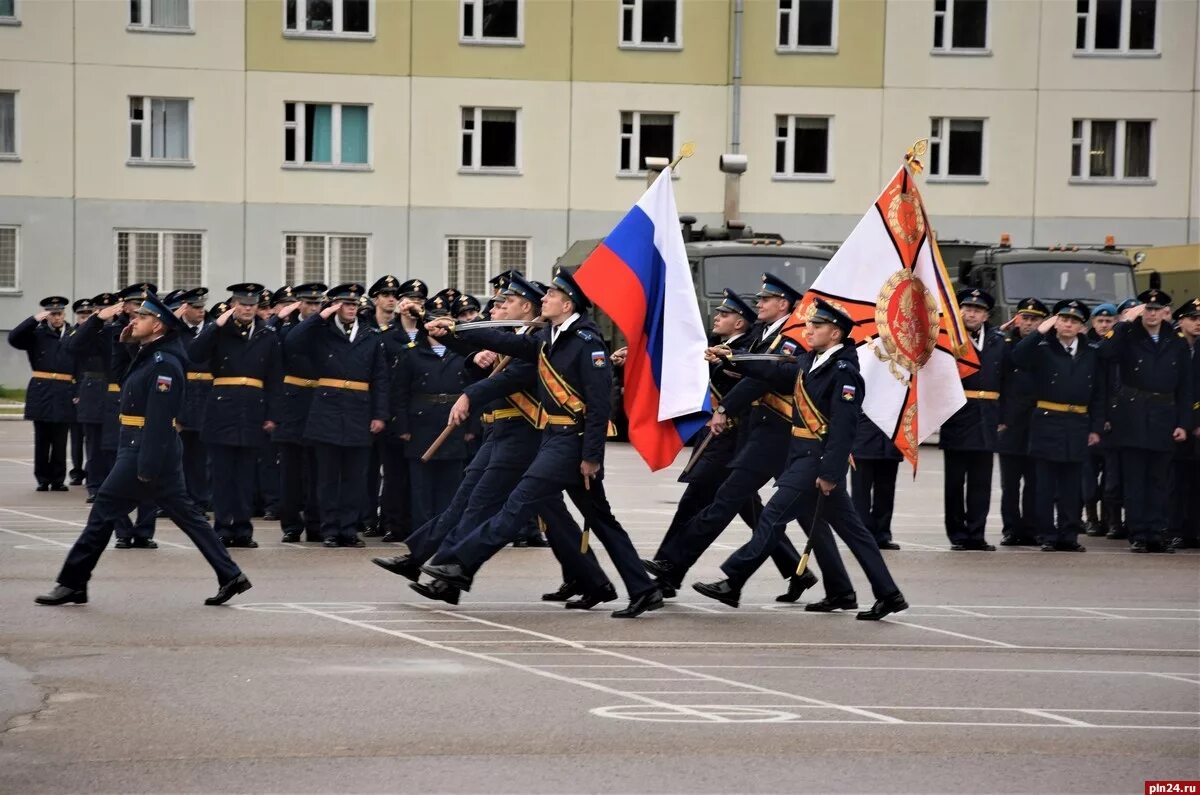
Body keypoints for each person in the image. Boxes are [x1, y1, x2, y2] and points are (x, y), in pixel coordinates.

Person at [419, 269, 663, 618]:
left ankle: (460, 564)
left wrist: (592, 457)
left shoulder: (587, 342)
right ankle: (644, 589)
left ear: (567, 303)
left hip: (572, 445)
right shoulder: (550, 335)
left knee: (517, 504)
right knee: (602, 521)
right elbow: (505, 343)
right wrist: (454, 330)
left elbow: (598, 405)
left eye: (550, 295)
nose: (543, 299)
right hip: (555, 439)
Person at [375, 272, 615, 606]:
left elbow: (512, 378)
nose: (497, 308)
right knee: (550, 517)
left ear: (527, 307)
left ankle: (440, 572)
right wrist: (460, 344)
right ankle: (591, 580)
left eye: (506, 303)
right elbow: (477, 354)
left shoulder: (542, 340)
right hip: (500, 432)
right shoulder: (516, 337)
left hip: (525, 435)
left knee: (478, 506)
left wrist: (470, 395)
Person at [692, 298, 908, 620]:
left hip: (817, 463)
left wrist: (831, 473)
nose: (809, 330)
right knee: (854, 532)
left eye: (816, 326)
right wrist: (732, 357)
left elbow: (844, 431)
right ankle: (874, 593)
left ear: (835, 334)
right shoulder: (812, 361)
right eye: (809, 324)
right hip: (803, 458)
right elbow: (775, 367)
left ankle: (733, 580)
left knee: (773, 517)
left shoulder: (844, 372)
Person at [34, 291, 251, 607]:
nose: (134, 320)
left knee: (103, 511)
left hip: (144, 450)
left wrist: (146, 467)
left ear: (159, 326)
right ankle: (231, 575)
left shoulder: (166, 364)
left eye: (142, 317)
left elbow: (160, 422)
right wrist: (123, 343)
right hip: (145, 448)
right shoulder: (149, 355)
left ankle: (71, 582)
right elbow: (124, 379)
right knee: (188, 515)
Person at [645, 274, 814, 603]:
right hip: (735, 437)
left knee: (703, 503)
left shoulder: (774, 341)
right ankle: (796, 569)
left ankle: (669, 570)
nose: (759, 304)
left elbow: (756, 380)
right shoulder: (752, 341)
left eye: (765, 300)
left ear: (783, 304)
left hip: (739, 437)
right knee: (740, 507)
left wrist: (724, 404)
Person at [645, 289, 765, 593]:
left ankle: (668, 570)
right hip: (717, 438)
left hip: (732, 439)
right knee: (752, 513)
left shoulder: (746, 349)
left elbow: (748, 381)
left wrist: (727, 361)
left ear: (739, 323)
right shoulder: (724, 348)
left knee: (695, 504)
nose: (717, 317)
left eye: (724, 315)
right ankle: (795, 569)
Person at [286, 283, 390, 548]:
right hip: (327, 411)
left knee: (355, 477)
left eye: (355, 305)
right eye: (345, 304)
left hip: (358, 411)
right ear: (334, 306)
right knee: (328, 477)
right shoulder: (321, 333)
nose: (351, 309)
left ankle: (349, 529)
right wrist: (319, 317)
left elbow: (380, 377)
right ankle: (330, 528)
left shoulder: (370, 335)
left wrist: (379, 415)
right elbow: (292, 341)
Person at [188, 283, 282, 548]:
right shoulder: (219, 332)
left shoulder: (267, 334)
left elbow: (275, 378)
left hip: (253, 410)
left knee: (245, 477)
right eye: (242, 304)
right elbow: (194, 354)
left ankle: (243, 530)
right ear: (233, 306)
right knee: (221, 475)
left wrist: (273, 414)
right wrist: (214, 326)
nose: (248, 309)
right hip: (222, 409)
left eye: (252, 305)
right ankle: (222, 528)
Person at [1101, 290, 1193, 553]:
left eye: (1157, 309)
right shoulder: (1128, 335)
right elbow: (1104, 353)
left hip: (1164, 414)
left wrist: (1183, 423)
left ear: (1166, 312)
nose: (1152, 314)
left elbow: (1185, 386)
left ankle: (1157, 531)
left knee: (1159, 480)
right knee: (1135, 479)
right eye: (1148, 309)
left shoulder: (1175, 341)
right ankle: (1139, 533)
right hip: (1133, 413)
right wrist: (1123, 323)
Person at [1010, 300, 1106, 551]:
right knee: (1045, 485)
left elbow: (1099, 393)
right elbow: (1018, 356)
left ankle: (1069, 534)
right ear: (1056, 322)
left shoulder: (1091, 352)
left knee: (1072, 485)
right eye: (1064, 319)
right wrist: (1040, 330)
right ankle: (1047, 535)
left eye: (1073, 321)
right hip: (1047, 421)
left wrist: (1095, 427)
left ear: (1081, 327)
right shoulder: (1043, 349)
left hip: (1077, 423)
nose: (1068, 324)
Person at [392, 292, 476, 529]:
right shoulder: (410, 352)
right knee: (421, 483)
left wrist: (472, 426)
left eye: (446, 320)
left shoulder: (462, 353)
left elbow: (475, 390)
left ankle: (445, 527)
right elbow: (399, 393)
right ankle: (423, 529)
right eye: (435, 319)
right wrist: (403, 427)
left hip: (454, 420)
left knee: (451, 482)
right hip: (421, 422)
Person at [940, 288, 1004, 551]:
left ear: (986, 315)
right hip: (958, 416)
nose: (971, 313)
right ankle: (957, 535)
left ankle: (976, 534)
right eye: (966, 308)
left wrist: (1004, 416)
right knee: (954, 483)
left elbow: (1008, 381)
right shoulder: (948, 340)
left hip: (987, 418)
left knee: (981, 482)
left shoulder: (998, 340)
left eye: (977, 310)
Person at [270, 283, 326, 543]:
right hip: (292, 402)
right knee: (290, 471)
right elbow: (272, 342)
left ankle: (315, 523)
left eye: (317, 304)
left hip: (320, 401)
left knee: (318, 469)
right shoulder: (287, 328)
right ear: (299, 304)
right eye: (309, 303)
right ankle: (291, 524)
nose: (314, 308)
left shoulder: (327, 327)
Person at [8, 296, 76, 491]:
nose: (56, 318)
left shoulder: (72, 334)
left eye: (59, 314)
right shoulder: (37, 335)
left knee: (60, 439)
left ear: (64, 314)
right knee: (42, 439)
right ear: (46, 316)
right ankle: (42, 478)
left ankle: (58, 479)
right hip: (42, 389)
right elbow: (13, 338)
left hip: (64, 390)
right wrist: (33, 320)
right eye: (52, 314)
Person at [995, 298, 1048, 546]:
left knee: (1035, 482)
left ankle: (1031, 528)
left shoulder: (1046, 344)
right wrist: (1002, 418)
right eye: (1024, 318)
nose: (1028, 323)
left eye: (1034, 319)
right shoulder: (1004, 343)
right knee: (1011, 484)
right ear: (1016, 319)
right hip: (1011, 423)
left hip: (1037, 422)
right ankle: (1011, 528)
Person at [380, 277, 428, 543]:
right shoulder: (387, 336)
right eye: (409, 300)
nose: (414, 306)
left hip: (420, 414)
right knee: (394, 473)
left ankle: (415, 522)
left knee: (418, 475)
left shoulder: (427, 334)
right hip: (395, 412)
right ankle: (393, 523)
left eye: (420, 301)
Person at [168, 287, 214, 513]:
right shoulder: (175, 332)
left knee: (201, 456)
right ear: (185, 308)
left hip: (206, 395)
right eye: (195, 307)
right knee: (178, 455)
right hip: (183, 395)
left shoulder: (211, 329)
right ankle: (176, 500)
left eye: (202, 307)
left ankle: (200, 501)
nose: (200, 311)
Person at [1082, 303, 1118, 537]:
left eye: (1109, 321)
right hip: (1087, 419)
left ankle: (1110, 519)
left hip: (1114, 420)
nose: (1104, 325)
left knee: (1112, 476)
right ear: (1092, 323)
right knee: (1087, 475)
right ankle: (1092, 518)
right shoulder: (1086, 346)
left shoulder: (1117, 347)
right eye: (1100, 321)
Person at [1167, 298, 1200, 549]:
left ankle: (1194, 529)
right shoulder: (1172, 346)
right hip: (1175, 422)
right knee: (1175, 480)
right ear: (1181, 320)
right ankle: (1175, 528)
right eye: (1193, 318)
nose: (1198, 323)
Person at [66, 297, 105, 500]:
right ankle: (95, 485)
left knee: (113, 444)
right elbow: (72, 347)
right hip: (92, 390)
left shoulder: (121, 328)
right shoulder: (88, 331)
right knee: (93, 442)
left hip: (116, 392)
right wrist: (94, 322)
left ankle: (110, 485)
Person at [849, 417, 904, 550]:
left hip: (890, 442)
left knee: (886, 493)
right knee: (860, 494)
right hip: (863, 439)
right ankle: (861, 536)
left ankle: (882, 535)